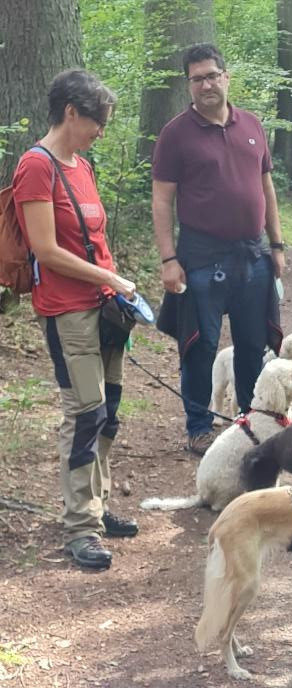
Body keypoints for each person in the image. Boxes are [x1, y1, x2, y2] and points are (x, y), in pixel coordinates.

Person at [12, 69, 139, 570]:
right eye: (96, 121)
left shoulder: (81, 167)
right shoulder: (35, 167)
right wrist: (111, 278)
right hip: (67, 312)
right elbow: (46, 249)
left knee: (109, 410)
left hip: (106, 307)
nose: (100, 132)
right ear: (71, 112)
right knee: (85, 413)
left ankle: (99, 507)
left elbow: (93, 240)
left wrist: (117, 284)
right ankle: (80, 526)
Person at [152, 43, 286, 456]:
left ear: (226, 77)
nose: (206, 84)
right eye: (197, 79)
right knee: (200, 344)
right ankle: (199, 426)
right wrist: (169, 259)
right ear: (188, 85)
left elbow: (266, 187)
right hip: (200, 256)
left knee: (252, 343)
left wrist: (276, 244)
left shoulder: (252, 124)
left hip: (252, 254)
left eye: (212, 75)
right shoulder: (175, 134)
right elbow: (161, 201)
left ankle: (249, 421)